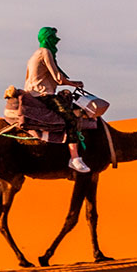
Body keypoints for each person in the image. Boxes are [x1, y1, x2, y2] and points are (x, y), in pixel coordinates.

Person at [25, 26, 94, 174]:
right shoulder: (45, 52)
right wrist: (75, 84)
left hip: (34, 94)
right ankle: (74, 158)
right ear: (48, 39)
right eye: (53, 39)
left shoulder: (34, 55)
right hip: (44, 95)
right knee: (71, 119)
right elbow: (58, 78)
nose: (56, 43)